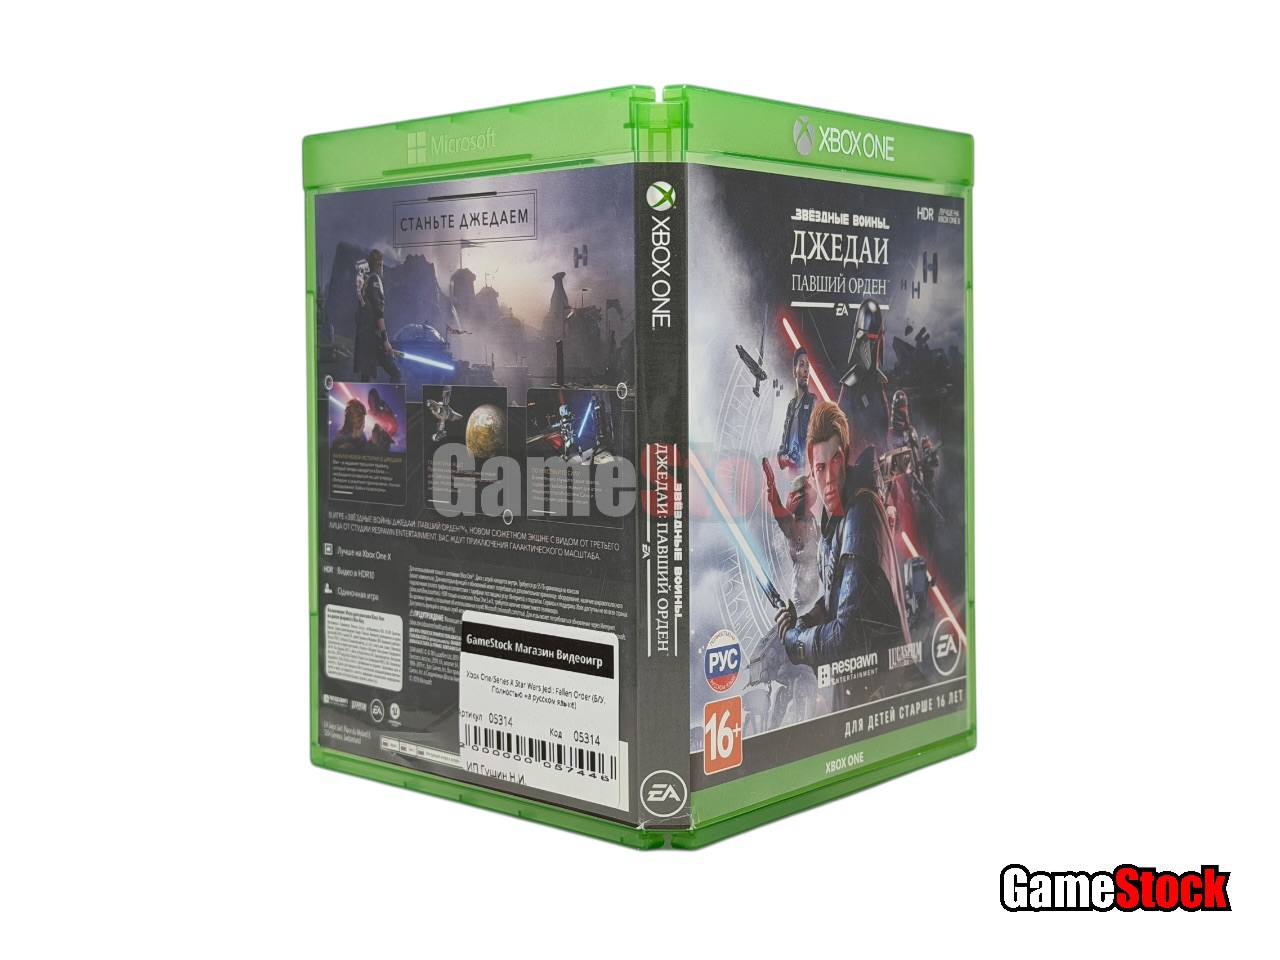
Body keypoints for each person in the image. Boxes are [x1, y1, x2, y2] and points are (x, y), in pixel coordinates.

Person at [774, 400, 911, 709]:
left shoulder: (861, 511)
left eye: (834, 461)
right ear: (812, 472)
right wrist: (801, 622)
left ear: (845, 456)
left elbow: (845, 637)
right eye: (820, 468)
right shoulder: (838, 520)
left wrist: (797, 642)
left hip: (885, 699)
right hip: (861, 700)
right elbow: (836, 602)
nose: (828, 479)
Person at [353, 250, 402, 383]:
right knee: (396, 374)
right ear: (378, 264)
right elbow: (378, 312)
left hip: (364, 338)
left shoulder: (365, 282)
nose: (382, 268)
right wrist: (385, 340)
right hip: (373, 340)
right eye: (381, 264)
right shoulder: (374, 280)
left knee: (365, 378)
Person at [777, 348, 815, 469]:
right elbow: (783, 445)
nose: (806, 370)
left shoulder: (812, 401)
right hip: (791, 473)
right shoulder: (791, 406)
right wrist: (783, 458)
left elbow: (815, 440)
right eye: (802, 364)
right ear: (794, 370)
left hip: (805, 470)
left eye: (808, 366)